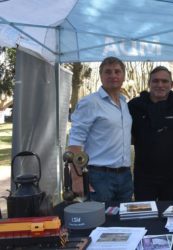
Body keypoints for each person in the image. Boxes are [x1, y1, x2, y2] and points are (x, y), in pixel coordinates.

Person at [68, 56, 133, 203]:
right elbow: (74, 143)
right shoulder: (90, 103)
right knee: (99, 222)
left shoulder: (124, 103)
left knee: (123, 223)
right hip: (99, 177)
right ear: (101, 75)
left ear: (123, 76)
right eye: (108, 72)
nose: (113, 75)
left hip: (125, 177)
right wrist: (77, 178)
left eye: (117, 72)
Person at [128, 66, 173, 201]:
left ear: (171, 84)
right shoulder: (134, 106)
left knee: (168, 215)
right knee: (144, 215)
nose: (160, 85)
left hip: (172, 175)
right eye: (155, 81)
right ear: (149, 83)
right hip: (144, 175)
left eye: (164, 81)